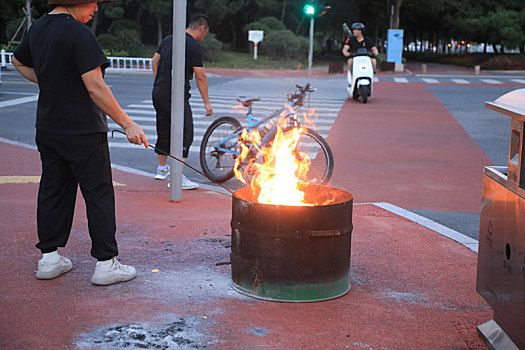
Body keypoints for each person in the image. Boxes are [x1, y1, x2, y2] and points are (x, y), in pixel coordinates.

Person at [12, 0, 148, 286]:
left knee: (52, 189)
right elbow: (96, 86)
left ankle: (49, 259)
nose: (96, 9)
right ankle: (106, 263)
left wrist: (50, 81)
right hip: (83, 129)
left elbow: (18, 60)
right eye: (94, 3)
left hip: (48, 127)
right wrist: (128, 123)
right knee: (98, 192)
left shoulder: (38, 28)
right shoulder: (78, 33)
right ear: (77, 2)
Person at [151, 14, 213, 190]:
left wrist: (159, 81)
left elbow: (154, 61)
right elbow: (200, 76)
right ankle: (176, 177)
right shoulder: (194, 46)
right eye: (205, 33)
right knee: (186, 132)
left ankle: (162, 169)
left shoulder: (169, 39)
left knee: (163, 128)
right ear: (202, 29)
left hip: (159, 90)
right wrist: (207, 103)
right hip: (175, 94)